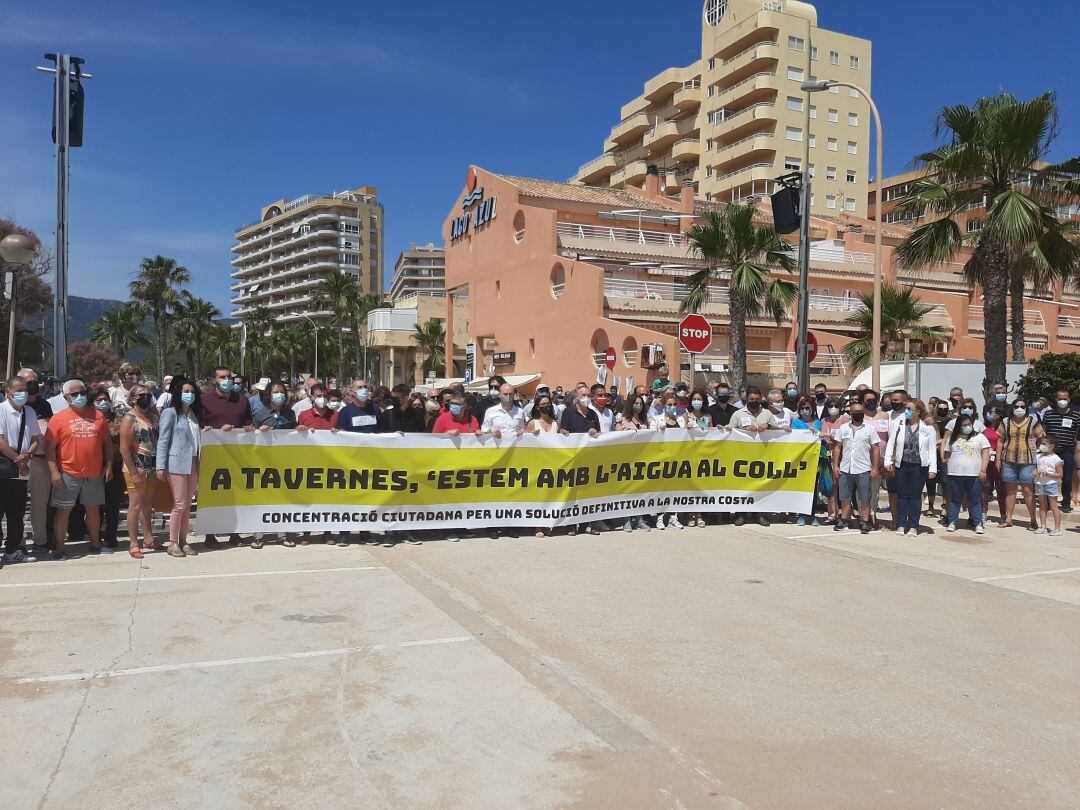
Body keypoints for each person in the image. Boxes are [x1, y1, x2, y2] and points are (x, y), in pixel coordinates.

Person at [45, 379, 113, 559]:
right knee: (63, 510)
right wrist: (53, 472)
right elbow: (50, 448)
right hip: (68, 472)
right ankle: (60, 547)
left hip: (94, 473)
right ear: (67, 398)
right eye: (75, 394)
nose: (80, 397)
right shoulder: (58, 418)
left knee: (93, 510)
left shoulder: (98, 416)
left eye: (82, 393)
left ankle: (96, 543)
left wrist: (108, 465)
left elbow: (107, 444)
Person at [200, 367, 254, 547]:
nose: (227, 380)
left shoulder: (243, 401)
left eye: (229, 377)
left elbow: (248, 423)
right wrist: (210, 431)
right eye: (222, 377)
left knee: (237, 495)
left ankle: (235, 533)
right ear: (214, 380)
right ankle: (210, 535)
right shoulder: (205, 401)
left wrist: (249, 429)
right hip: (213, 456)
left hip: (237, 456)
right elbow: (200, 426)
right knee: (213, 495)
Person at [729, 387, 789, 527]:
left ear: (761, 398)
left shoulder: (767, 413)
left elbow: (776, 430)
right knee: (742, 486)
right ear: (747, 399)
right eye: (751, 399)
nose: (754, 401)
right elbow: (729, 431)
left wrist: (768, 425)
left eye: (757, 399)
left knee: (760, 485)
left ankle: (760, 514)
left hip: (762, 456)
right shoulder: (738, 414)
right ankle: (740, 514)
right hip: (742, 456)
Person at [156, 378, 202, 557]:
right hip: (176, 463)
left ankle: (184, 540)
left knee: (188, 505)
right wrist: (160, 466)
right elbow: (163, 439)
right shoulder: (170, 413)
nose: (189, 395)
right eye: (186, 391)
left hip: (193, 462)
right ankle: (173, 542)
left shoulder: (193, 415)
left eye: (192, 392)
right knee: (179, 503)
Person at [0, 376, 42, 564]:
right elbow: (0, 441)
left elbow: (36, 438)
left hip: (22, 468)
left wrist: (27, 456)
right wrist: (18, 459)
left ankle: (13, 549)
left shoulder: (30, 412)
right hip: (5, 467)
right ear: (8, 392)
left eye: (25, 389)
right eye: (18, 390)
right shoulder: (1, 411)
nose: (23, 393)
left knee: (16, 512)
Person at [884, 398, 938, 537]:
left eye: (909, 409)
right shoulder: (899, 424)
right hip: (902, 465)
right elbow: (891, 443)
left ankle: (914, 525)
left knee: (914, 497)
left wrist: (933, 468)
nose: (906, 411)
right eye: (906, 408)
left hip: (919, 467)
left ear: (918, 411)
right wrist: (888, 461)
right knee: (902, 496)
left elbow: (932, 449)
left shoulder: (928, 428)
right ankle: (902, 524)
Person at [119, 384, 162, 558]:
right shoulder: (130, 418)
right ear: (132, 399)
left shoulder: (153, 416)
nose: (146, 397)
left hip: (151, 466)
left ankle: (148, 538)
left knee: (146, 504)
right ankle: (134, 543)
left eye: (148, 394)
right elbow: (124, 448)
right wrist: (134, 472)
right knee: (135, 505)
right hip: (135, 467)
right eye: (141, 395)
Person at [18, 368, 53, 552]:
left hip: (40, 461)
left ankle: (40, 540)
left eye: (34, 382)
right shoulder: (12, 405)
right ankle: (18, 543)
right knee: (17, 504)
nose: (32, 385)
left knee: (40, 503)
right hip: (18, 461)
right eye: (28, 382)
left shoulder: (44, 405)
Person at [832, 401, 879, 535]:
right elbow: (837, 447)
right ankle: (844, 519)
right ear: (850, 414)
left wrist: (875, 468)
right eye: (855, 413)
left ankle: (864, 521)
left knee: (864, 497)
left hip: (863, 468)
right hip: (846, 467)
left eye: (860, 412)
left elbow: (875, 449)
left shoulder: (869, 429)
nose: (858, 415)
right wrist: (836, 465)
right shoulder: (843, 428)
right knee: (845, 496)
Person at [996, 398, 1044, 530]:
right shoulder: (1005, 422)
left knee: (1028, 491)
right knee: (1010, 490)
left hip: (1028, 461)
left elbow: (1040, 438)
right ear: (1012, 407)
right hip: (1008, 460)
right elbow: (1000, 440)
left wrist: (1036, 452)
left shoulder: (1033, 422)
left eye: (1022, 406)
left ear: (1026, 408)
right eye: (1017, 406)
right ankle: (1009, 518)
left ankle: (1033, 521)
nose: (1019, 409)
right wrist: (998, 459)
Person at [942, 414, 990, 534]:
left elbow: (985, 453)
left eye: (969, 424)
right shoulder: (952, 438)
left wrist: (983, 470)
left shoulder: (979, 437)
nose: (967, 427)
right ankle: (952, 521)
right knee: (956, 499)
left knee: (974, 500)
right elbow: (947, 455)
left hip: (974, 474)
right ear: (959, 426)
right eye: (964, 425)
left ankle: (978, 523)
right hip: (955, 473)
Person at [1038, 389, 1080, 513]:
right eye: (1060, 398)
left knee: (1067, 478)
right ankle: (1049, 502)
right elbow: (1043, 432)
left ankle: (1066, 501)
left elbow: (1077, 435)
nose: (1063, 401)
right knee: (1048, 477)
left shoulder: (1076, 415)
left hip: (1068, 450)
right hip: (1051, 452)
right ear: (1056, 400)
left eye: (1065, 398)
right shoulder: (1049, 414)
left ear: (1069, 399)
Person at [650, 392, 687, 531]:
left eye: (674, 405)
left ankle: (673, 516)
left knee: (675, 489)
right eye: (669, 405)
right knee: (662, 489)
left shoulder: (681, 420)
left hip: (677, 459)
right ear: (664, 406)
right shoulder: (656, 420)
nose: (672, 407)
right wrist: (659, 430)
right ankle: (660, 516)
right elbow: (651, 438)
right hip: (662, 459)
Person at [791, 397, 825, 527]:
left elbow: (821, 437)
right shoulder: (796, 423)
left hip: (815, 460)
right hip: (801, 461)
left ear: (812, 409)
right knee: (801, 488)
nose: (805, 411)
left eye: (808, 408)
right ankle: (800, 515)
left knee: (813, 489)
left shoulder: (817, 422)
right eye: (802, 408)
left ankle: (812, 514)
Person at [818, 397, 847, 523]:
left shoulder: (845, 420)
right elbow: (819, 435)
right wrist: (828, 436)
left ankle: (845, 513)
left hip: (843, 456)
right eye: (830, 406)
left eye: (836, 405)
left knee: (844, 487)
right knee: (831, 487)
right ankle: (832, 514)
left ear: (840, 407)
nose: (833, 408)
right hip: (827, 456)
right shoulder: (823, 421)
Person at [981, 406, 1007, 524]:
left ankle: (1003, 514)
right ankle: (983, 513)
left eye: (995, 413)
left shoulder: (1005, 427)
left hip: (1001, 461)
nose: (992, 415)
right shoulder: (985, 429)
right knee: (985, 488)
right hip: (987, 461)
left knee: (1001, 489)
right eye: (990, 412)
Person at [1034, 436, 1064, 536]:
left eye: (1044, 443)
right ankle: (1043, 526)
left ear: (1051, 446)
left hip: (1051, 484)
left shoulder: (1056, 459)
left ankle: (1057, 528)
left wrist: (1048, 474)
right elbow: (1036, 468)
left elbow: (1060, 474)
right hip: (1040, 483)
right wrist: (1035, 472)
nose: (1042, 446)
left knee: (1054, 506)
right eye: (1042, 443)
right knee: (1042, 506)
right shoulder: (1038, 457)